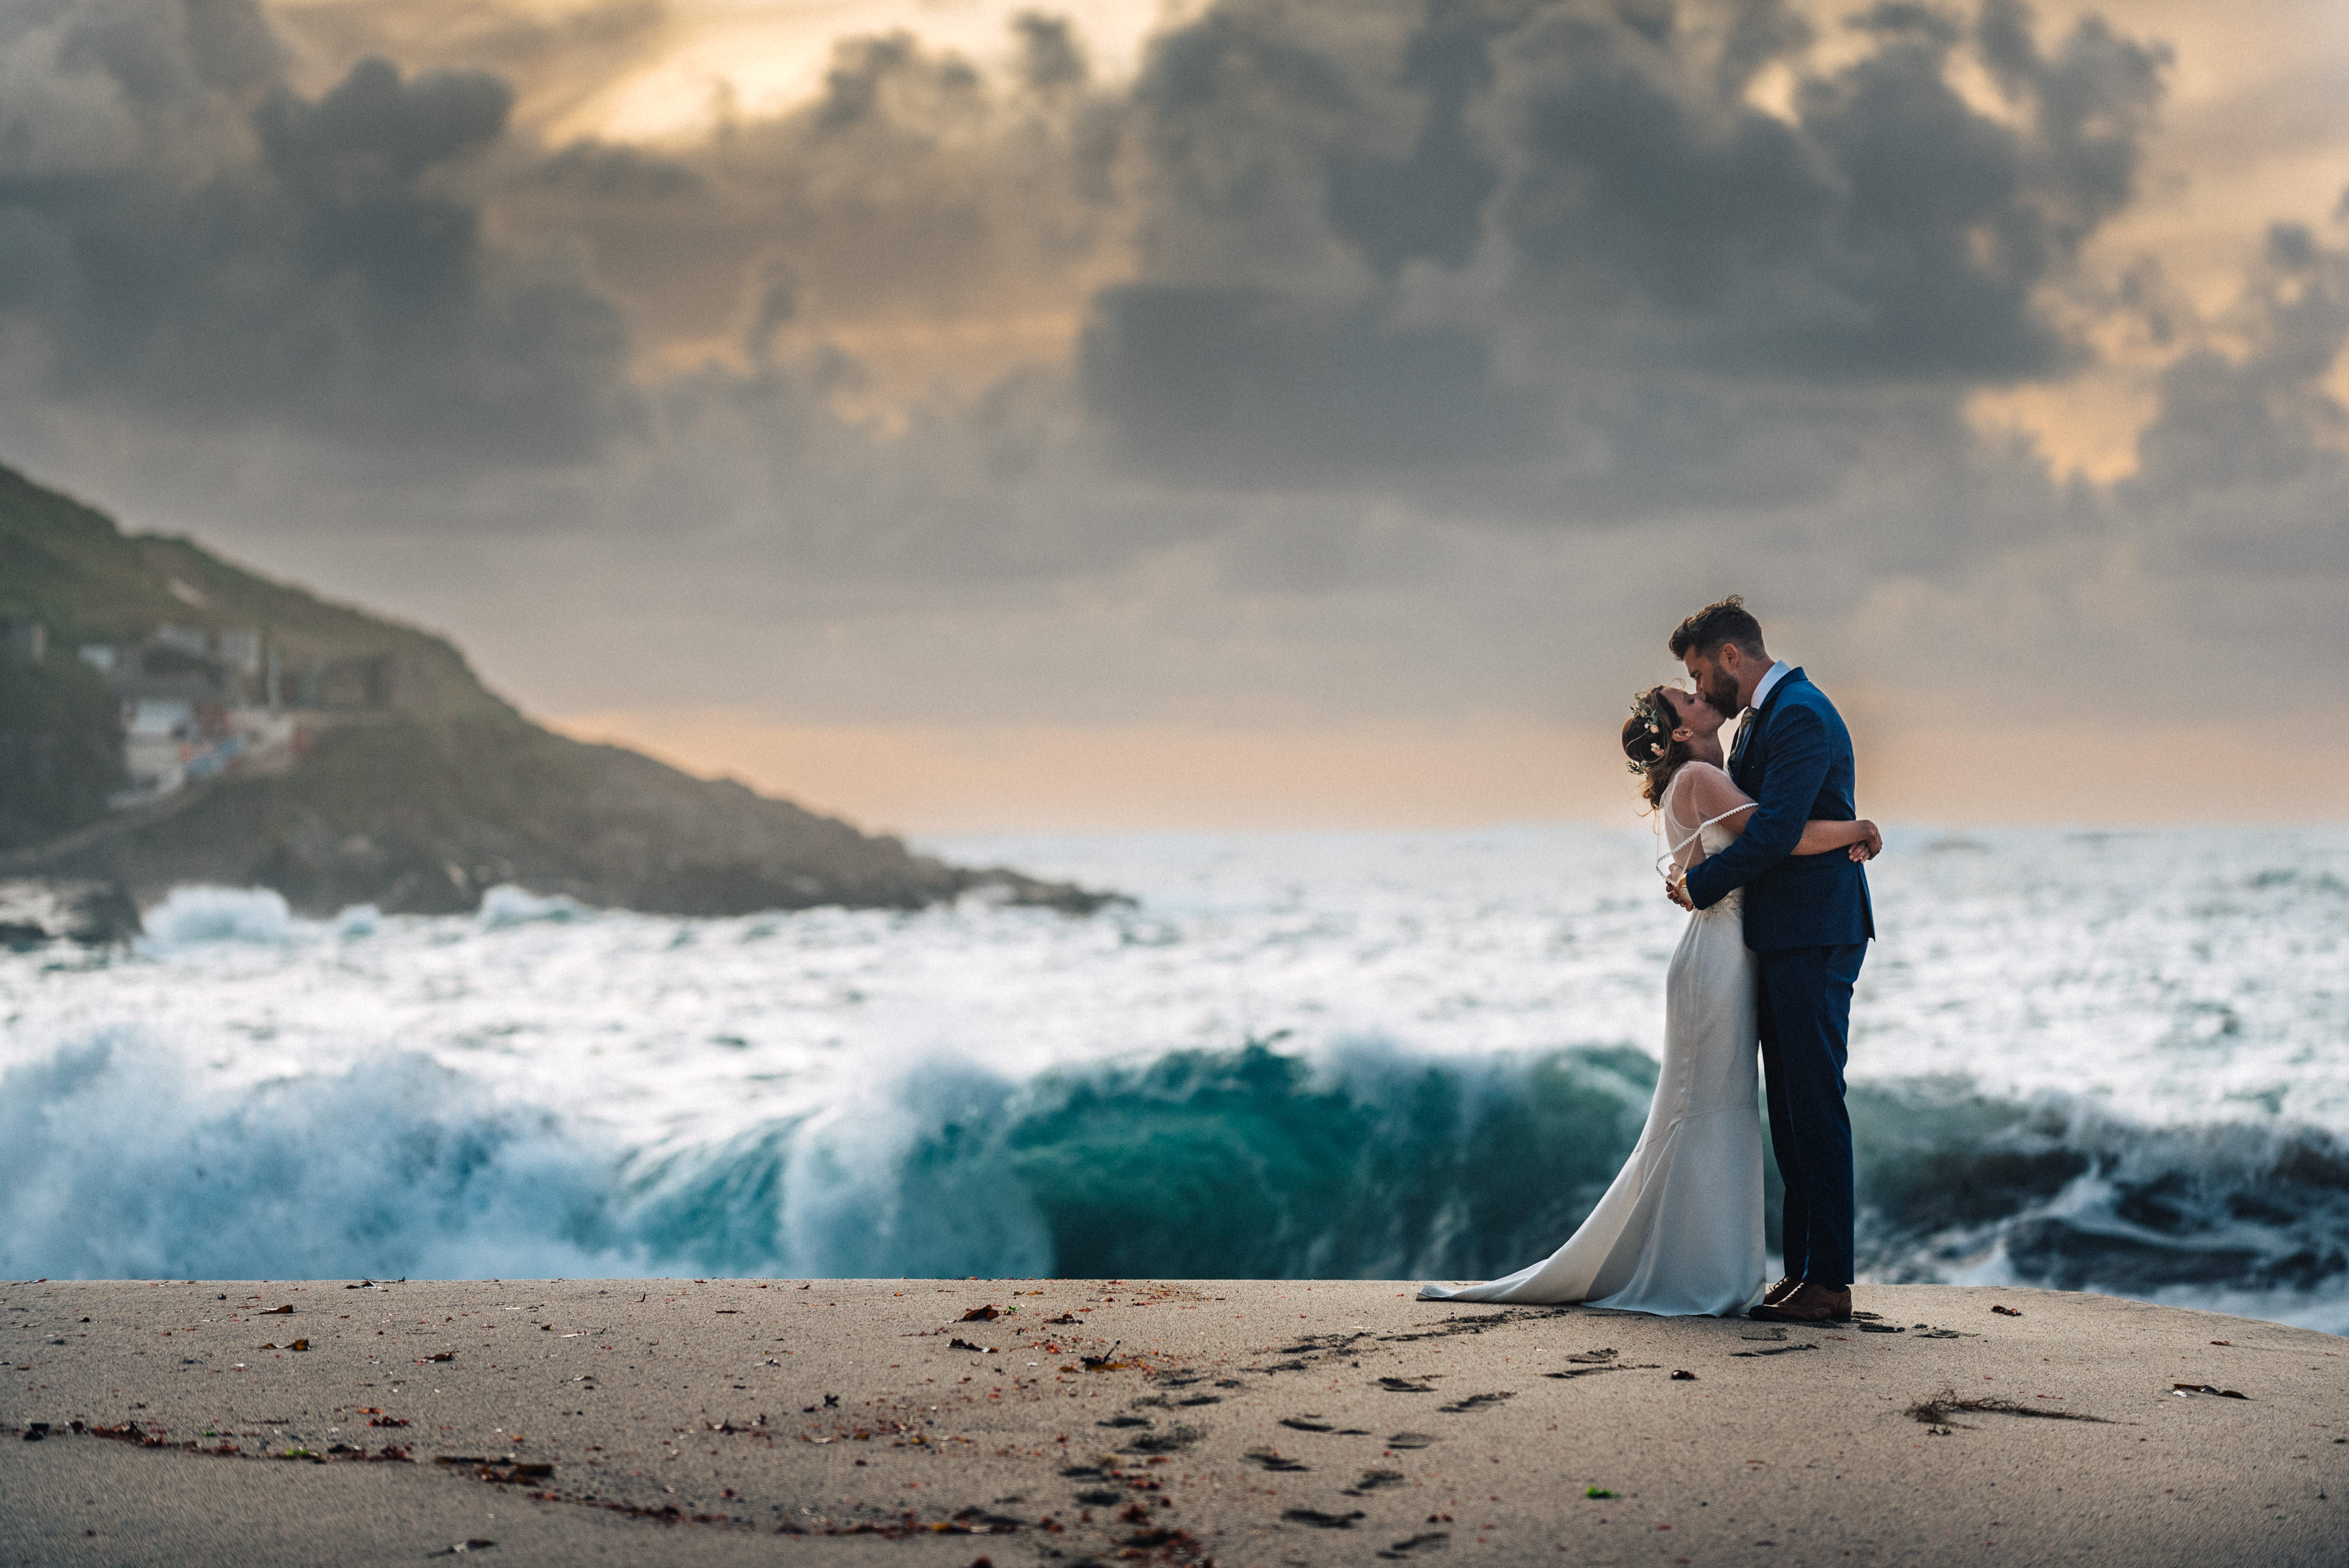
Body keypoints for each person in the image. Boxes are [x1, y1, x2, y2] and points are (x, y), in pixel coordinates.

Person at [1419, 605, 1877, 1315]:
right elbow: (1768, 827)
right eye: (1689, 688)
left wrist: (1702, 883)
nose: (1698, 689)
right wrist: (1853, 829)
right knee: (1786, 1109)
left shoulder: (1797, 714)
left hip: (1811, 933)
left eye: (1696, 675)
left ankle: (1827, 1280)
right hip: (1763, 940)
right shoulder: (1754, 726)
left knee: (1810, 1101)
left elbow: (1776, 830)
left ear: (1729, 656)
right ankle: (1804, 1271)